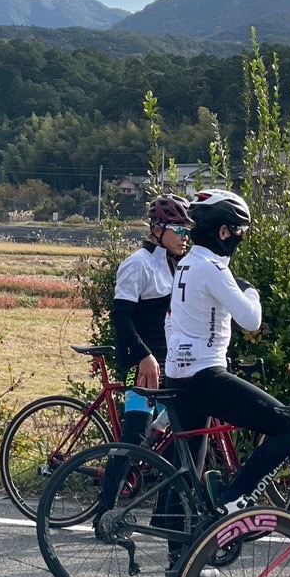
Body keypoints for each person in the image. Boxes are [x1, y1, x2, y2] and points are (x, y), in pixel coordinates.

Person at [164, 189, 290, 513]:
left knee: (186, 472)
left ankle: (175, 543)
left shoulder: (186, 264)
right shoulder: (213, 268)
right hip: (205, 375)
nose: (239, 239)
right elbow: (251, 320)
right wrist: (251, 291)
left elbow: (171, 320)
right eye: (239, 231)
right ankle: (234, 500)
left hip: (178, 375)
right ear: (224, 232)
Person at [98, 195, 192, 510]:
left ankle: (164, 517)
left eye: (187, 230)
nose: (185, 237)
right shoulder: (137, 263)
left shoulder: (178, 265)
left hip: (170, 365)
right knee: (135, 437)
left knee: (182, 436)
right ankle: (104, 512)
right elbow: (121, 317)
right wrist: (143, 356)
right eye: (179, 229)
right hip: (140, 364)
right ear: (158, 228)